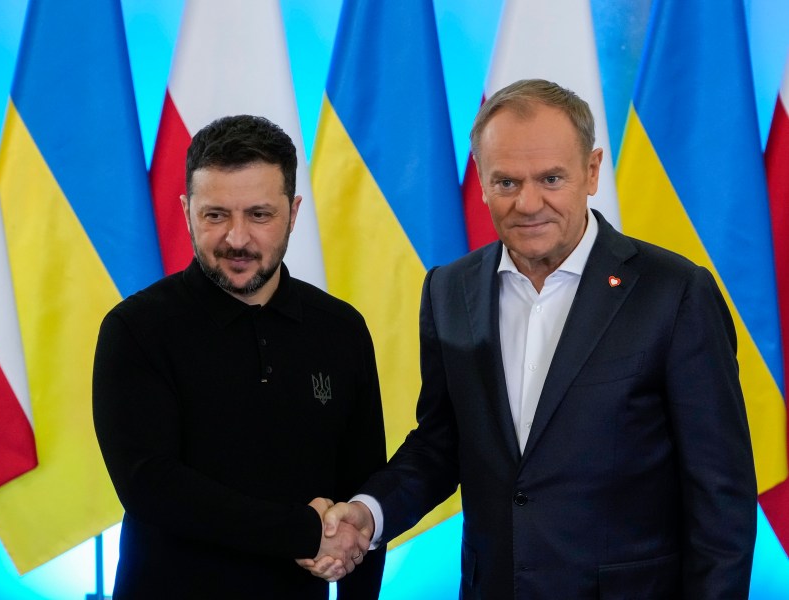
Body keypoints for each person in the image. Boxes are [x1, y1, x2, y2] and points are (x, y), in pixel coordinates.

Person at [303, 79, 757, 598]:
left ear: (591, 172)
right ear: (480, 180)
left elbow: (721, 495)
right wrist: (367, 514)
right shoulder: (450, 290)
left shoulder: (674, 292)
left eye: (551, 178)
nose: (528, 202)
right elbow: (442, 444)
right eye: (507, 182)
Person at [93, 114, 386, 599]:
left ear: (293, 213)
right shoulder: (135, 329)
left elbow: (363, 489)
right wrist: (301, 530)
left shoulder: (341, 330)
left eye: (259, 214)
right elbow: (151, 486)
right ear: (187, 210)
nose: (236, 238)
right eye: (215, 215)